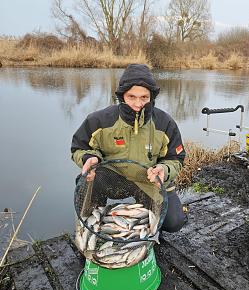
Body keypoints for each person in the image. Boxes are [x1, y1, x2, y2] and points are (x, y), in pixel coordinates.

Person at [71, 63, 187, 233]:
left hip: (148, 182)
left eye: (144, 97)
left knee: (174, 222)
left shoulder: (165, 123)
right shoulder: (99, 120)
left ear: (151, 97)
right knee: (86, 184)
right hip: (111, 178)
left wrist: (164, 169)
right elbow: (78, 147)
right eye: (131, 96)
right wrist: (89, 158)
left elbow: (176, 158)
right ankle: (94, 225)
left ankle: (148, 225)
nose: (138, 103)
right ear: (122, 96)